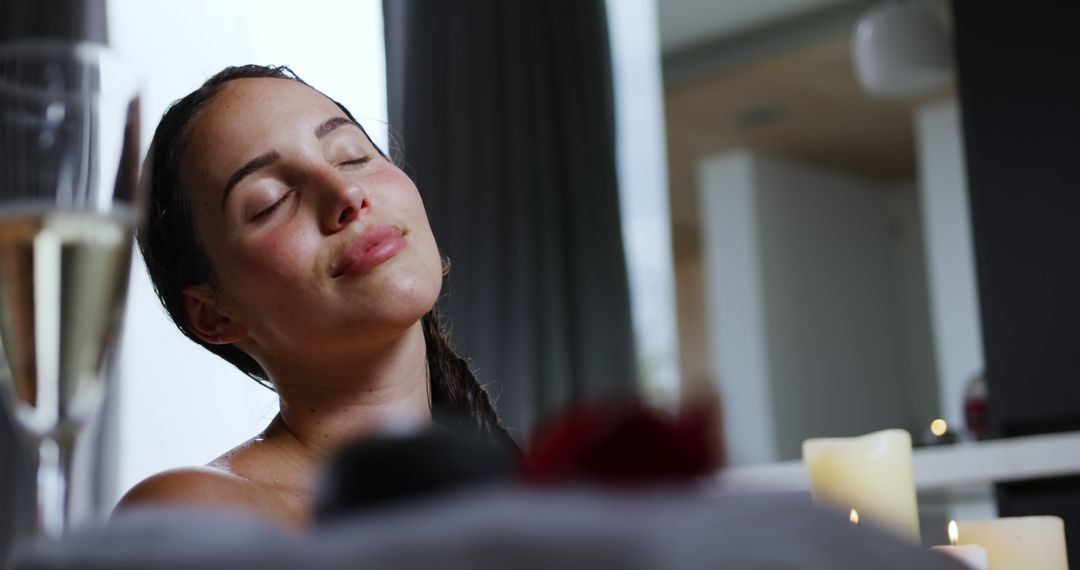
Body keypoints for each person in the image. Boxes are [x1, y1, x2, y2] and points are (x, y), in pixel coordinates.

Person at [115, 65, 513, 529]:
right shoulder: (196, 516)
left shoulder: (537, 494)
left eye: (351, 156)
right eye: (271, 201)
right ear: (213, 314)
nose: (346, 192)